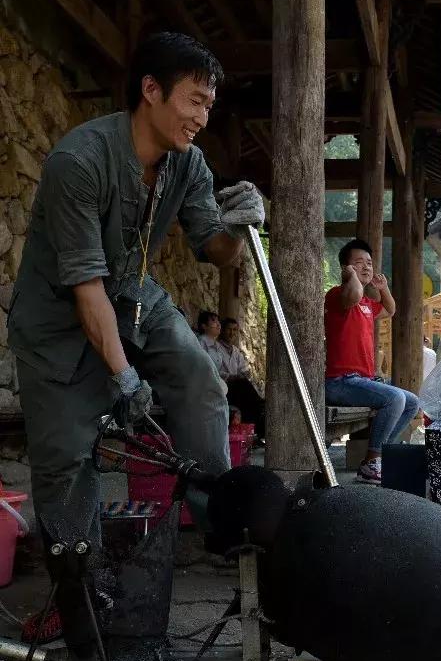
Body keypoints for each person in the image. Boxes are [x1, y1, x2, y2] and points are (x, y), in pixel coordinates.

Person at [8, 32, 265, 546]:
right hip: (57, 316)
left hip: (132, 295)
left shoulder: (188, 163)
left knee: (201, 381)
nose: (203, 117)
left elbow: (216, 251)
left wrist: (239, 226)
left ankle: (218, 522)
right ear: (151, 90)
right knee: (68, 457)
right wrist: (124, 376)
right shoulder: (79, 161)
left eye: (209, 105)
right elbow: (86, 289)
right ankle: (75, 576)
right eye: (194, 100)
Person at [324, 238, 419, 485]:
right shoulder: (338, 295)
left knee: (412, 402)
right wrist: (349, 276)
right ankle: (371, 461)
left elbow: (390, 310)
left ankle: (381, 456)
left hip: (360, 381)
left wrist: (383, 288)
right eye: (359, 263)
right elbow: (354, 293)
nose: (367, 266)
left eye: (369, 262)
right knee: (394, 398)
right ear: (346, 268)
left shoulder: (367, 304)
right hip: (339, 382)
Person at [219, 317, 265, 438]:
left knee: (247, 396)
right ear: (222, 330)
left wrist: (244, 374)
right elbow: (215, 371)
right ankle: (260, 405)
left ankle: (256, 431)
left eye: (234, 330)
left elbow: (243, 369)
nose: (232, 333)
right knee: (242, 385)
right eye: (229, 329)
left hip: (236, 388)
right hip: (223, 388)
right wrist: (232, 377)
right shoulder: (216, 348)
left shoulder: (236, 351)